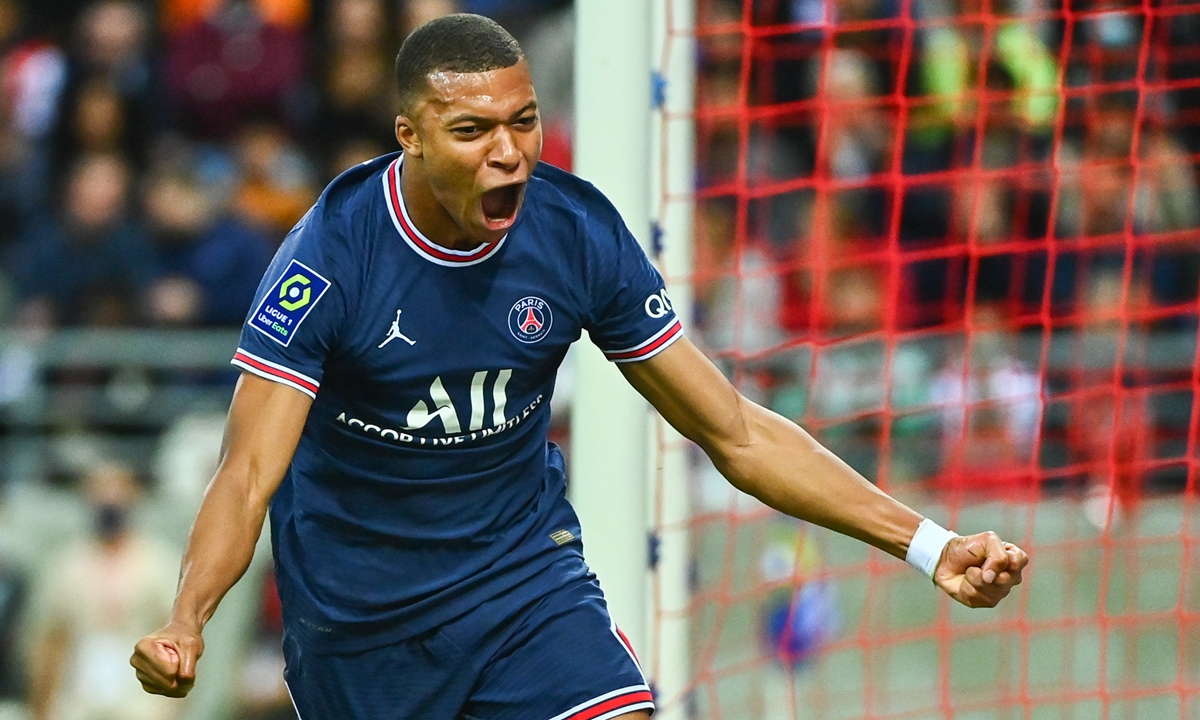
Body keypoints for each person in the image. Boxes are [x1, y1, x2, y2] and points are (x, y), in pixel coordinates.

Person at [131, 14, 1029, 720]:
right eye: (473, 130)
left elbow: (737, 431)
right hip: (364, 626)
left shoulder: (574, 233)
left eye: (523, 122)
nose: (509, 151)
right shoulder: (330, 259)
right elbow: (248, 475)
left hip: (522, 584)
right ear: (409, 135)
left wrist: (930, 544)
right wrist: (188, 619)